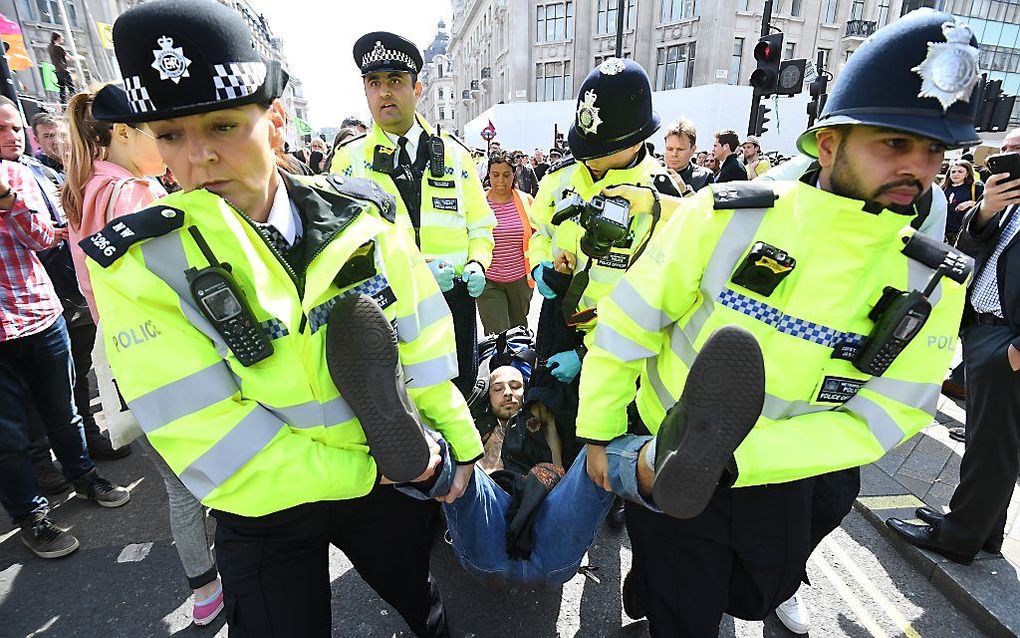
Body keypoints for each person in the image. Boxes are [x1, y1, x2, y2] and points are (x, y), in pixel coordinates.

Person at [86, 2, 483, 635]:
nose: (197, 159)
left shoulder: (362, 215)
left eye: (221, 126)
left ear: (273, 123)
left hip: (387, 475)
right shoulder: (139, 264)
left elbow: (424, 341)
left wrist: (459, 444)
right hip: (270, 503)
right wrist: (373, 470)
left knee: (421, 600)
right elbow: (206, 432)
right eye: (170, 136)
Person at [577, 10, 977, 635]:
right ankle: (659, 580)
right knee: (685, 614)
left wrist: (741, 459)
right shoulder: (726, 217)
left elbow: (893, 412)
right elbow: (627, 326)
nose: (918, 169)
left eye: (934, 150)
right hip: (671, 455)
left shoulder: (932, 278)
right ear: (828, 143)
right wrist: (600, 430)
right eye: (894, 143)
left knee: (757, 594)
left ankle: (655, 578)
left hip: (789, 479)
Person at [61, 85, 223, 626]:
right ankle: (209, 588)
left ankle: (205, 587)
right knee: (197, 480)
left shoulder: (89, 190)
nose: (166, 143)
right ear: (123, 133)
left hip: (124, 353)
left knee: (179, 482)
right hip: (164, 355)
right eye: (159, 133)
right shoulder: (132, 194)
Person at [0, 95, 131, 561]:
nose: (13, 136)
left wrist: (8, 203)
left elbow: (40, 238)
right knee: (10, 438)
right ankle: (32, 516)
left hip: (39, 311)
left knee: (66, 410)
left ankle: (84, 477)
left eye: (16, 128)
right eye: (3, 130)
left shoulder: (19, 176)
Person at [331, 31, 496, 397]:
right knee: (401, 404)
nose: (385, 92)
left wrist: (478, 264)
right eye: (374, 83)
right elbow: (341, 249)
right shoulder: (349, 161)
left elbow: (481, 225)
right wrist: (413, 269)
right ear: (365, 92)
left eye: (395, 81)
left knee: (460, 392)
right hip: (388, 306)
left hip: (455, 300)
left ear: (417, 89)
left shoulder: (455, 154)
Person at [887, 127, 1020, 565]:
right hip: (981, 330)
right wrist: (984, 211)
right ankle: (983, 531)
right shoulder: (1003, 203)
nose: (1006, 158)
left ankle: (958, 536)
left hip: (1007, 342)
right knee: (990, 444)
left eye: (1016, 152)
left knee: (992, 447)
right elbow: (967, 247)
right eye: (1003, 151)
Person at [476, 153, 534, 335]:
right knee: (497, 336)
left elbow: (540, 236)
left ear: (514, 174)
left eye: (506, 175)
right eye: (495, 175)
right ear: (488, 175)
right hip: (488, 281)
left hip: (520, 281)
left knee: (518, 334)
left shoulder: (527, 202)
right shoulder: (479, 203)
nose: (501, 180)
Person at [663, 118, 713, 193]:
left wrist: (685, 191)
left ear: (692, 150)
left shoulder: (704, 177)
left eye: (680, 149)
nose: (674, 154)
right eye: (669, 149)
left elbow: (706, 204)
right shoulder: (653, 175)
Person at [942, 158, 983, 245]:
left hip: (965, 233)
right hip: (945, 233)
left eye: (960, 171)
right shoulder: (944, 188)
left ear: (967, 173)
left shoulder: (976, 187)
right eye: (953, 172)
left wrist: (970, 203)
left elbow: (987, 205)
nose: (956, 174)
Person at [48, 33, 75, 104]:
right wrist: (78, 57)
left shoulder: (50, 47)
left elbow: (59, 58)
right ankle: (76, 104)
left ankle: (63, 106)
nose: (62, 39)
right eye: (61, 38)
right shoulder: (59, 47)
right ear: (58, 38)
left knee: (62, 89)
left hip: (58, 71)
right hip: (64, 70)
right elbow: (70, 58)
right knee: (71, 88)